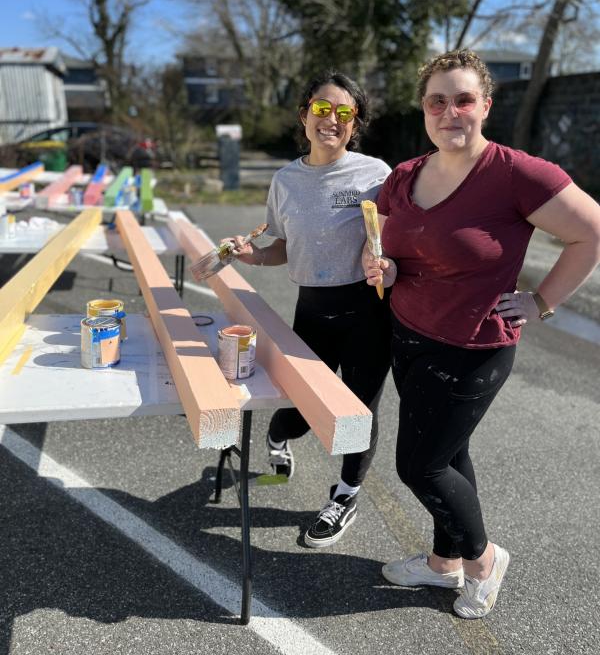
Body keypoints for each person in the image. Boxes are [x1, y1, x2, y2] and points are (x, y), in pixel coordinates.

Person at [364, 49, 600, 619]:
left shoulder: (516, 174)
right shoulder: (404, 176)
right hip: (409, 333)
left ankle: (484, 560)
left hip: (472, 348)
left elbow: (591, 232)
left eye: (463, 99)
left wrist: (541, 300)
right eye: (437, 101)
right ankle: (443, 562)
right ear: (424, 110)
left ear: (485, 106)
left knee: (420, 466)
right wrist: (384, 269)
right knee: (449, 454)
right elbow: (386, 249)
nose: (451, 112)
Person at [227, 69, 392, 548]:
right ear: (304, 116)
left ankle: (345, 495)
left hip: (368, 311)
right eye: (322, 108)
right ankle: (278, 439)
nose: (331, 120)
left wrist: (390, 263)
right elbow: (283, 245)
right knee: (300, 410)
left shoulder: (376, 174)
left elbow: (395, 241)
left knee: (358, 409)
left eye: (344, 112)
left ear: (355, 122)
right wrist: (252, 256)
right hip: (313, 310)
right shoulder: (286, 181)